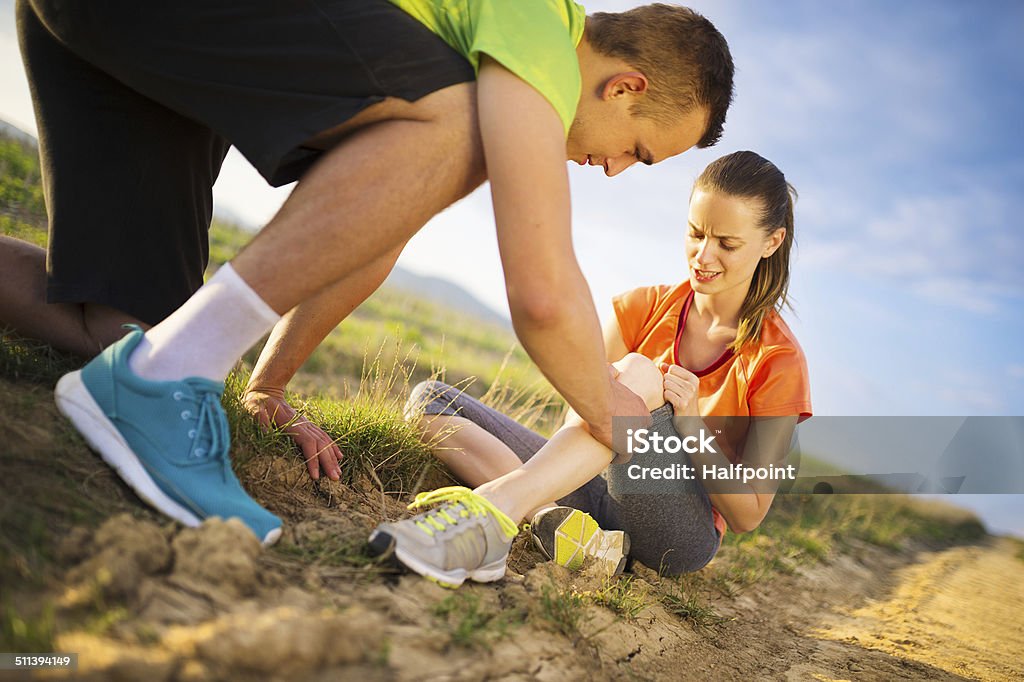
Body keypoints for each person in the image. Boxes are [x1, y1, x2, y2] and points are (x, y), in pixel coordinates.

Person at [15, 1, 734, 545]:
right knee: (462, 129)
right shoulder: (537, 26)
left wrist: (268, 385)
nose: (610, 171)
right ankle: (166, 377)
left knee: (117, 329)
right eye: (635, 152)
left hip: (109, 27)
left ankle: (157, 365)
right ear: (623, 86)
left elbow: (374, 222)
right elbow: (542, 296)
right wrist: (620, 418)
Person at [370, 151, 812, 586]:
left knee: (638, 372)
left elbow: (748, 514)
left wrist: (691, 424)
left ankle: (492, 512)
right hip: (595, 488)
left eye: (727, 244)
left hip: (677, 534)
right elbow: (579, 413)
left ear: (770, 242)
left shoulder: (779, 359)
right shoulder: (642, 307)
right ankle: (554, 524)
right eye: (696, 233)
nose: (702, 255)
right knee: (429, 401)